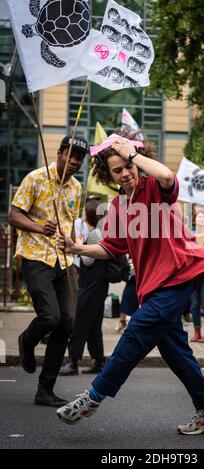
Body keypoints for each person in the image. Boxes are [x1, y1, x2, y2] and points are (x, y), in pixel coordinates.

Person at [56, 133, 204, 435]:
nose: (126, 172)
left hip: (177, 275)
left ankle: (93, 397)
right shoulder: (120, 207)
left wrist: (131, 153)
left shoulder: (154, 188)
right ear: (109, 175)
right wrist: (76, 248)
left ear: (137, 161)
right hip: (153, 285)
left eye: (128, 165)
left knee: (136, 333)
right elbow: (110, 248)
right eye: (117, 170)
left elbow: (167, 175)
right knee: (174, 350)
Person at [8, 135, 88, 406]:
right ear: (59, 153)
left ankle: (45, 389)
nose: (75, 161)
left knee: (67, 322)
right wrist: (39, 227)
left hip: (63, 261)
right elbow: (14, 215)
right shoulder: (35, 178)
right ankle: (27, 340)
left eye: (80, 158)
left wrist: (77, 246)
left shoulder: (77, 188)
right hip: (35, 257)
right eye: (72, 155)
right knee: (50, 317)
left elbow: (72, 225)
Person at [59, 197, 108, 376]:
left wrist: (79, 246)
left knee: (80, 321)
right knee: (94, 322)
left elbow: (88, 261)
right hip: (99, 284)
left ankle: (73, 361)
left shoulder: (96, 233)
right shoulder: (103, 231)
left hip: (91, 283)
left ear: (89, 216)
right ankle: (98, 359)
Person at [114, 257, 139, 333]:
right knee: (125, 299)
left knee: (137, 303)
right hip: (131, 281)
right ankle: (122, 321)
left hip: (140, 281)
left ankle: (133, 323)